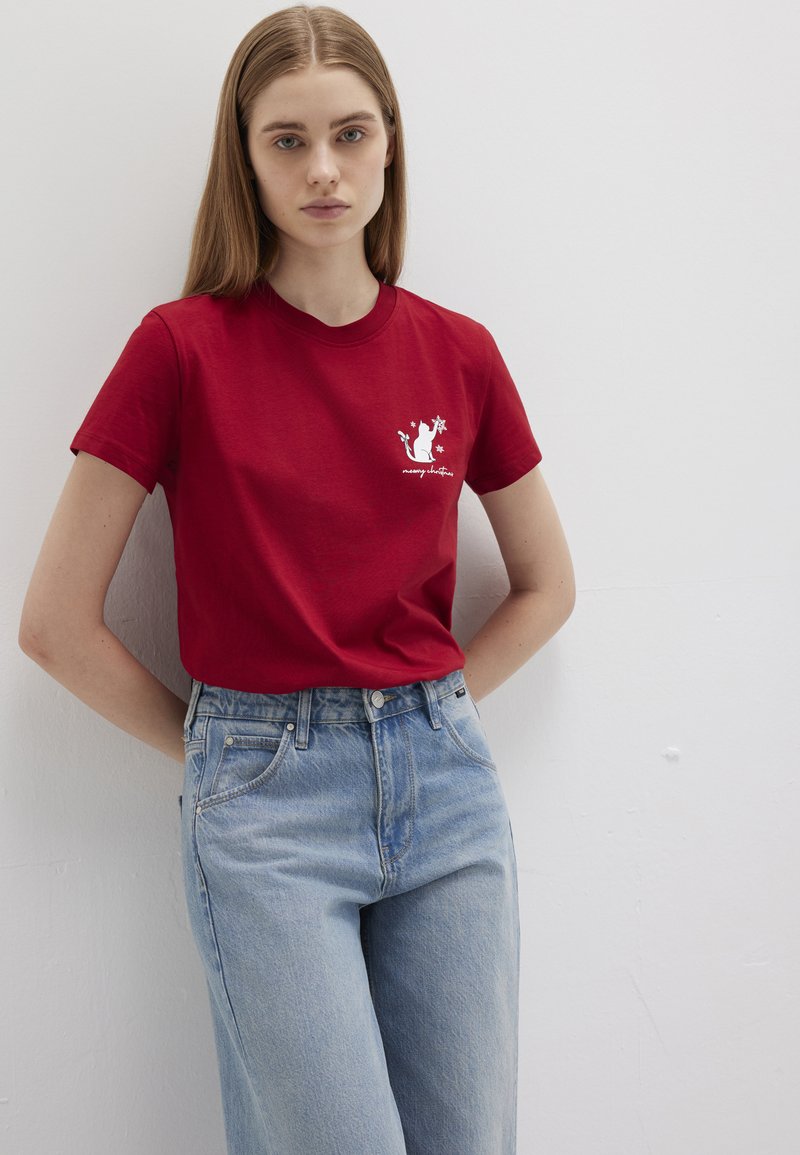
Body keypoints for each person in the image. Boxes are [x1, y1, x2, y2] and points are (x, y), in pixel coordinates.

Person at [18, 5, 575, 1152]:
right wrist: (221, 752)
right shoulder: (179, 349)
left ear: (389, 144)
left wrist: (432, 714)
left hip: (447, 798)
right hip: (264, 807)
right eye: (287, 140)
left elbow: (545, 585)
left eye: (349, 134)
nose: (323, 168)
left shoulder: (458, 353)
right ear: (245, 155)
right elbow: (55, 623)